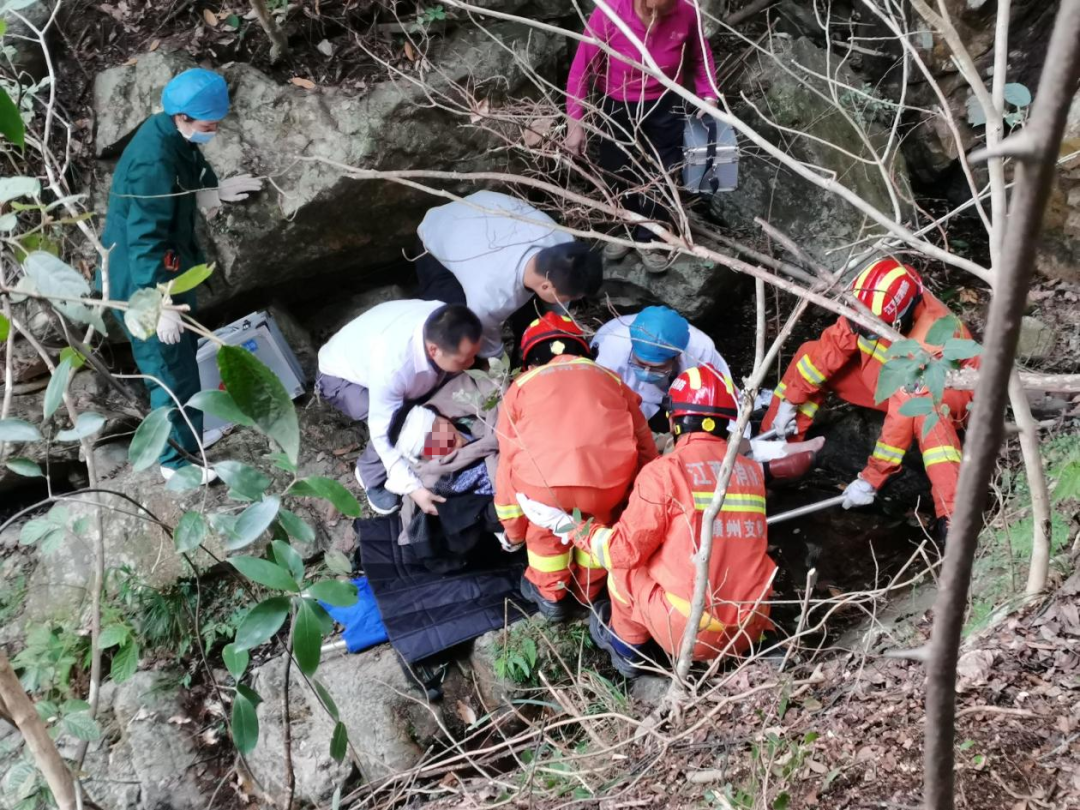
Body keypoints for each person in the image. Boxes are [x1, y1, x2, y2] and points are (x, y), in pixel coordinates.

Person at [516, 364, 775, 677]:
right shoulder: (750, 471)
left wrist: (568, 526)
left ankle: (627, 649)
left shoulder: (666, 471)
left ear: (675, 420)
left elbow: (621, 552)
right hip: (752, 623)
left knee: (625, 570)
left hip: (692, 631)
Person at [99, 68, 263, 483]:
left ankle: (186, 446)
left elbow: (187, 173)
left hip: (168, 273)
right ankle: (175, 465)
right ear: (184, 116)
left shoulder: (170, 133)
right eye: (209, 125)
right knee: (169, 372)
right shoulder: (152, 160)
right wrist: (160, 302)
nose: (213, 131)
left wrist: (213, 190)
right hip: (141, 284)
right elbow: (144, 239)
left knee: (183, 364)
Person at [761, 258, 978, 531]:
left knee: (924, 411)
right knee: (808, 353)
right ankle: (772, 457)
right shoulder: (871, 305)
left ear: (898, 324)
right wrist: (790, 402)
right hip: (887, 384)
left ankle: (952, 517)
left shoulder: (929, 338)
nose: (861, 330)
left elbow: (903, 410)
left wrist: (872, 478)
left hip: (945, 397)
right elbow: (833, 346)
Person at [493, 313, 658, 620]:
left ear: (530, 362)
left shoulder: (521, 386)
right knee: (597, 524)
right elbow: (644, 443)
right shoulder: (611, 378)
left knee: (544, 534)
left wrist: (512, 530)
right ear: (582, 350)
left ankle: (551, 596)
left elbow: (508, 463)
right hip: (607, 485)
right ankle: (588, 593)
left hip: (544, 487)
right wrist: (636, 496)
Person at [564, 0, 718, 272]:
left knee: (664, 169)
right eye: (652, 11)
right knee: (615, 167)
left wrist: (709, 95)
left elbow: (700, 57)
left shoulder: (686, 12)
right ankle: (626, 225)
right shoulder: (610, 12)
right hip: (618, 99)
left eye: (666, 11)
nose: (658, 19)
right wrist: (575, 122)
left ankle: (652, 236)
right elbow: (581, 69)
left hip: (665, 99)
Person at [316, 300, 483, 517]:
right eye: (465, 359)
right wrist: (413, 489)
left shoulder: (449, 322)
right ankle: (369, 474)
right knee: (404, 423)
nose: (471, 363)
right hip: (339, 378)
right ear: (433, 350)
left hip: (376, 354)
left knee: (425, 409)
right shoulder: (394, 367)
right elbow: (383, 427)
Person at [415, 190, 604, 359]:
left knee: (533, 317)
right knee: (456, 330)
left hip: (483, 212)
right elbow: (490, 353)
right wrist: (501, 376)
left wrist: (554, 324)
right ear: (546, 285)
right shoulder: (489, 297)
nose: (570, 300)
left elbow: (553, 310)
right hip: (437, 237)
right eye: (570, 297)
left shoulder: (563, 241)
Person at [592, 305, 735, 431]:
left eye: (656, 367)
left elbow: (726, 396)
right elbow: (603, 401)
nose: (646, 373)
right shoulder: (609, 352)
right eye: (640, 364)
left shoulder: (701, 352)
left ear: (677, 356)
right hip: (626, 396)